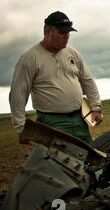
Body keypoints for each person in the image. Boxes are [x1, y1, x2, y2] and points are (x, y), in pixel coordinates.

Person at [9, 11, 103, 144]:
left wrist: (96, 108)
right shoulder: (30, 58)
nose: (67, 36)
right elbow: (18, 94)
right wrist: (21, 127)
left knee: (88, 158)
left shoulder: (73, 53)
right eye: (62, 32)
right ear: (48, 31)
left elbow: (88, 82)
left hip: (79, 118)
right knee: (58, 161)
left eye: (68, 32)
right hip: (52, 123)